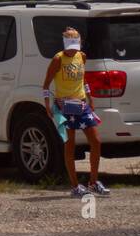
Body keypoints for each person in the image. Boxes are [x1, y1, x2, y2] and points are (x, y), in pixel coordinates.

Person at [43, 26, 108, 197]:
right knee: (69, 144)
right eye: (70, 48)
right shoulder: (58, 59)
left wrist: (90, 97)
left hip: (81, 103)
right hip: (64, 106)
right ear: (65, 45)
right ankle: (74, 185)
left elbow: (83, 78)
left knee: (96, 141)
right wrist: (47, 104)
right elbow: (46, 84)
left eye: (75, 48)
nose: (73, 51)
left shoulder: (82, 56)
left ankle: (93, 182)